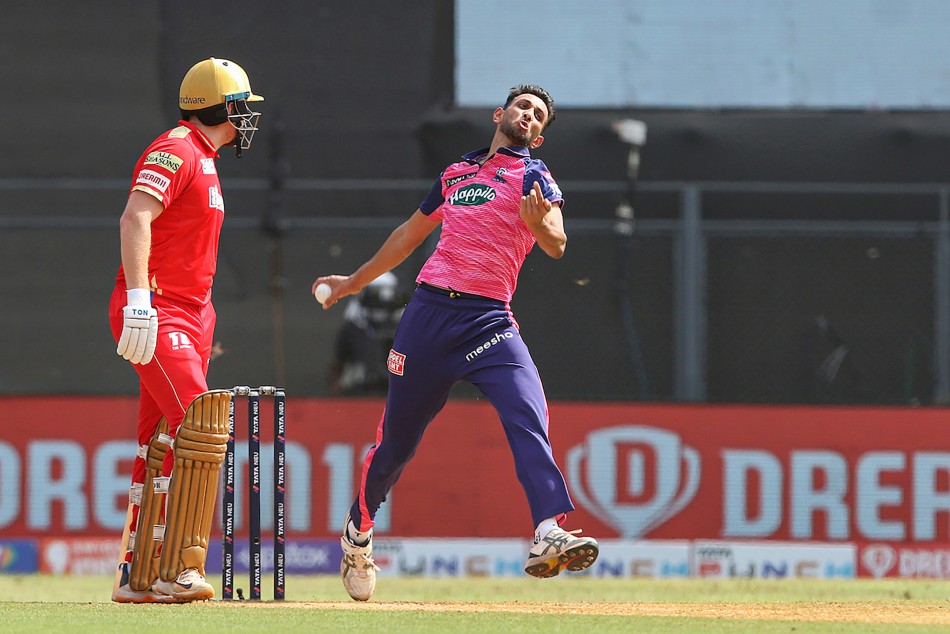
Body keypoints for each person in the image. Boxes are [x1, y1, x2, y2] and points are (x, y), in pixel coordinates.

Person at [312, 84, 599, 602]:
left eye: (538, 116)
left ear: (538, 135)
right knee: (396, 446)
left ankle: (547, 531)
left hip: (489, 321)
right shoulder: (456, 173)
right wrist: (352, 283)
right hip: (427, 317)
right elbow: (409, 235)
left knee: (528, 413)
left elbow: (557, 242)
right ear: (500, 113)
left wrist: (540, 227)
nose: (529, 116)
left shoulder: (535, 176)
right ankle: (358, 535)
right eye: (523, 107)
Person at [109, 58, 263, 603]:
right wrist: (139, 301)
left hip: (191, 312)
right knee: (201, 428)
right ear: (220, 107)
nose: (248, 118)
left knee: (160, 441)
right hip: (158, 308)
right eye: (242, 107)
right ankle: (182, 569)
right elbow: (135, 217)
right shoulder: (176, 149)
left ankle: (137, 574)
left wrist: (202, 322)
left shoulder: (204, 156)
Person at [328, 271, 405, 396]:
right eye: (376, 294)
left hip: (395, 390)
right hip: (358, 391)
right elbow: (338, 362)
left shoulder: (402, 325)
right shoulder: (353, 326)